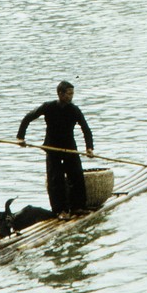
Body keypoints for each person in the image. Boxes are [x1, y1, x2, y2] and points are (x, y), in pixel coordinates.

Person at [17, 80, 95, 217]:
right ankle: (61, 210)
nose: (71, 97)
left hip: (70, 148)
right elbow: (28, 118)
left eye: (72, 94)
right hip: (52, 148)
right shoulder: (48, 107)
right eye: (69, 94)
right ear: (60, 93)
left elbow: (86, 129)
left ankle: (77, 207)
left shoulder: (74, 110)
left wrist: (89, 148)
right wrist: (21, 138)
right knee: (56, 179)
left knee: (76, 176)